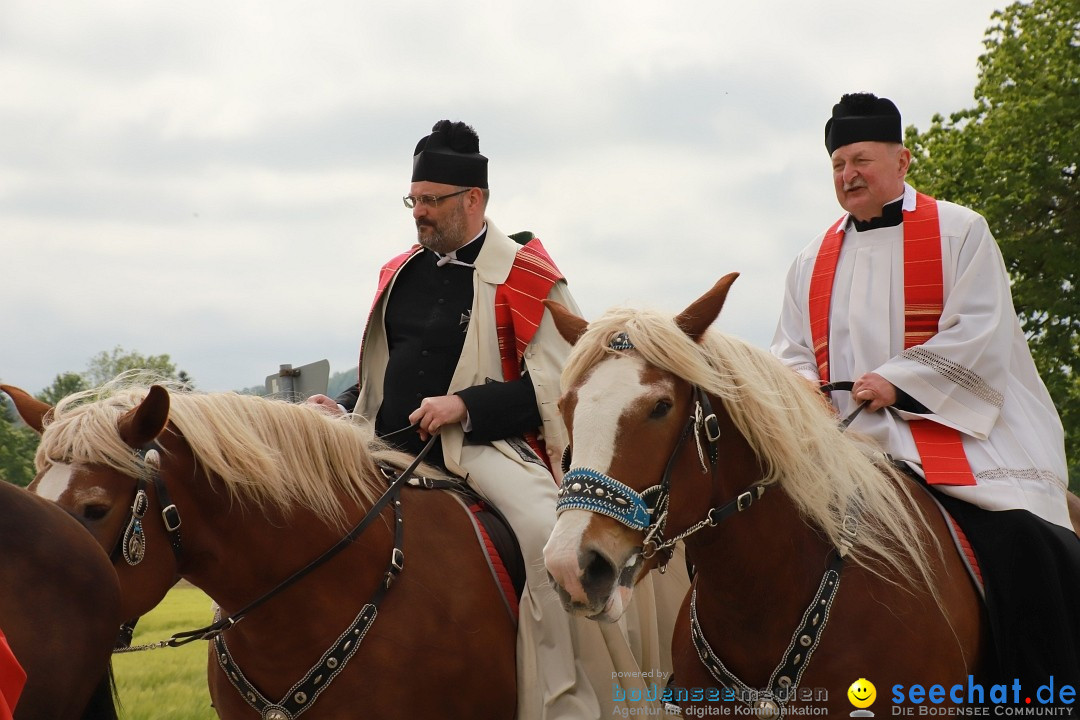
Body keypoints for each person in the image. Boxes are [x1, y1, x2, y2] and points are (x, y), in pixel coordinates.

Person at [310, 120, 688, 719]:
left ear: (474, 200)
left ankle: (569, 700)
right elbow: (395, 369)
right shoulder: (398, 274)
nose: (420, 213)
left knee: (545, 534)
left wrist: (466, 405)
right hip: (380, 440)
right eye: (414, 200)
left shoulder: (531, 276)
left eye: (432, 201)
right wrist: (346, 404)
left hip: (486, 445)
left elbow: (566, 387)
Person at [771, 92, 1078, 691]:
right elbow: (791, 351)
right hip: (846, 437)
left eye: (860, 159)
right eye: (837, 165)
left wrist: (901, 380)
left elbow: (980, 329)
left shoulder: (961, 230)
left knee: (1026, 539)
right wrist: (804, 388)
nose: (847, 175)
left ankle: (1038, 690)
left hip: (956, 431)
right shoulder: (810, 259)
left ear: (902, 160)